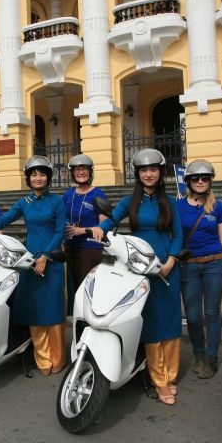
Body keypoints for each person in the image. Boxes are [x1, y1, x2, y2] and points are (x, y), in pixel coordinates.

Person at [89, 149, 182, 406]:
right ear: (138, 174)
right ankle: (159, 380)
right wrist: (99, 228)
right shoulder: (130, 202)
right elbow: (111, 221)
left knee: (171, 320)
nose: (149, 174)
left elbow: (179, 235)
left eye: (153, 169)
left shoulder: (170, 201)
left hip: (167, 267)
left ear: (160, 173)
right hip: (140, 267)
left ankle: (171, 375)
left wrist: (172, 261)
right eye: (144, 170)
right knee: (151, 321)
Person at [0, 156, 67, 375]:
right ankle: (42, 358)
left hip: (52, 259)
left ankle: (58, 357)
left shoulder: (57, 201)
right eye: (33, 174)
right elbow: (5, 219)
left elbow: (59, 231)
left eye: (41, 174)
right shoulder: (24, 202)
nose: (37, 178)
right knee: (35, 312)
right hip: (30, 262)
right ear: (28, 178)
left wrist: (46, 256)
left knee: (53, 311)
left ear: (48, 177)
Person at [176, 159, 222, 379]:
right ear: (188, 181)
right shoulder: (178, 206)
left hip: (214, 264)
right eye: (196, 178)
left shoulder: (218, 207)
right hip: (188, 266)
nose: (201, 181)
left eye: (205, 178)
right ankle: (199, 353)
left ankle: (211, 358)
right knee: (193, 316)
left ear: (210, 181)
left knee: (212, 314)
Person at [62, 154, 107, 293]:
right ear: (72, 173)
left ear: (90, 172)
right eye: (77, 169)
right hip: (69, 246)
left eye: (84, 169)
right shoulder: (68, 193)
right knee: (71, 288)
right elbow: (61, 215)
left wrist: (81, 230)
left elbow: (104, 225)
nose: (81, 172)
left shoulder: (98, 194)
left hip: (90, 247)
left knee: (86, 288)